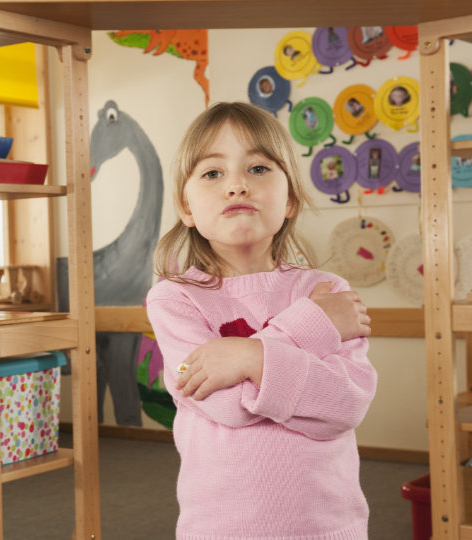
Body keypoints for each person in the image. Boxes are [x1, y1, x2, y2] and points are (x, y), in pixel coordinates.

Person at [146, 102, 376, 540]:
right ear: (186, 208)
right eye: (212, 173)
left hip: (329, 526)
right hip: (223, 528)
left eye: (257, 168)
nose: (236, 185)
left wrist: (247, 359)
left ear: (289, 199)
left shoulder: (327, 291)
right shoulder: (174, 300)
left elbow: (344, 406)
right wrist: (305, 329)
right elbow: (226, 406)